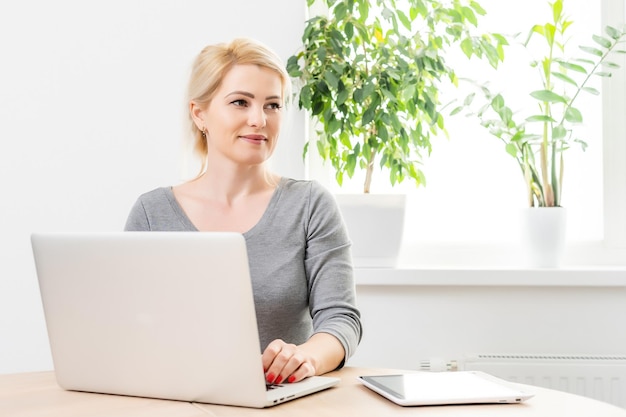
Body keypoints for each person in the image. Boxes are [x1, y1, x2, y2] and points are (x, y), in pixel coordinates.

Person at [124, 38, 362, 385]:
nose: (259, 119)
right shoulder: (152, 213)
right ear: (199, 113)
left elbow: (341, 319)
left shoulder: (310, 205)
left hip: (281, 400)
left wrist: (305, 358)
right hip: (179, 397)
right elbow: (129, 325)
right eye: (240, 102)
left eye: (272, 105)